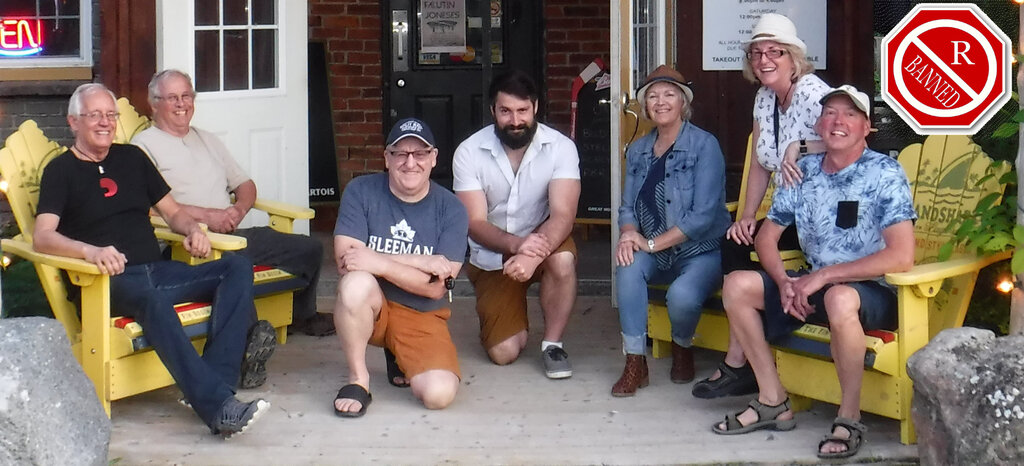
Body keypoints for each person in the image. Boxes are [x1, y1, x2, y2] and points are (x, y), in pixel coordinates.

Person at [34, 83, 275, 437]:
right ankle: (218, 408)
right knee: (153, 299)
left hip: (158, 271)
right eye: (95, 115)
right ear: (74, 122)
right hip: (105, 281)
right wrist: (91, 252)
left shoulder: (132, 158)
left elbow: (173, 212)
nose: (105, 122)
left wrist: (192, 230)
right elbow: (42, 236)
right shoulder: (60, 171)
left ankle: (216, 384)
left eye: (110, 115)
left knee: (236, 266)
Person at [711, 86, 916, 460]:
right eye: (830, 113)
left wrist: (822, 277)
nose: (838, 121)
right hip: (811, 282)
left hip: (872, 289)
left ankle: (849, 417)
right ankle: (772, 399)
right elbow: (767, 237)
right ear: (819, 125)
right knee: (737, 285)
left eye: (850, 114)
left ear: (867, 127)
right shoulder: (803, 171)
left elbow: (901, 255)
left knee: (839, 297)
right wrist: (783, 282)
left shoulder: (884, 172)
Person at [131, 69, 334, 337]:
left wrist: (238, 210)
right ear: (154, 103)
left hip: (232, 234)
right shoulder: (142, 148)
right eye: (172, 98)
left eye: (186, 96)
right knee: (235, 270)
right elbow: (145, 208)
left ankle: (301, 316)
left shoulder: (207, 139)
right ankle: (249, 340)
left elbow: (245, 185)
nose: (181, 104)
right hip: (187, 243)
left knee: (309, 249)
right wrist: (206, 217)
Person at [694, 12, 833, 399]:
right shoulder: (764, 98)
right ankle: (742, 356)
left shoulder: (813, 94)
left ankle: (739, 360)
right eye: (756, 53)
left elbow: (852, 138)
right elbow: (759, 162)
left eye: (774, 52)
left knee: (748, 249)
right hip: (787, 211)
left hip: (821, 217)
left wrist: (800, 146)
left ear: (793, 57)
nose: (764, 60)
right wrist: (746, 216)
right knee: (736, 239)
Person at [332, 118, 468, 417]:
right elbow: (347, 260)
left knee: (439, 395)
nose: (410, 163)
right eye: (400, 153)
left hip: (421, 313)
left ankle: (398, 353)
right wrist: (420, 261)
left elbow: (435, 288)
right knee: (354, 284)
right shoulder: (361, 191)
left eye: (419, 154)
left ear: (433, 158)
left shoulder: (452, 208)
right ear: (387, 158)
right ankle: (358, 379)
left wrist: (377, 261)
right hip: (373, 306)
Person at [452, 69, 581, 378]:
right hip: (493, 253)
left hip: (543, 236)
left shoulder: (561, 147)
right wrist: (517, 246)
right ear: (493, 111)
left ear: (535, 107)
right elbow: (474, 222)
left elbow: (563, 215)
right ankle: (505, 315)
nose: (515, 120)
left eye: (522, 110)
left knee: (562, 261)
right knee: (504, 352)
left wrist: (532, 254)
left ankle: (553, 344)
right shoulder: (469, 151)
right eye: (505, 111)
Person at [611, 65, 730, 397]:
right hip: (653, 246)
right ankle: (635, 362)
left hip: (699, 250)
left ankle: (682, 346)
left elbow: (702, 216)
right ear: (645, 106)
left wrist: (650, 243)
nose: (660, 102)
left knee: (681, 297)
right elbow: (627, 207)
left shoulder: (704, 145)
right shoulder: (638, 150)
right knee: (627, 265)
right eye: (653, 96)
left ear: (682, 102)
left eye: (669, 95)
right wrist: (628, 235)